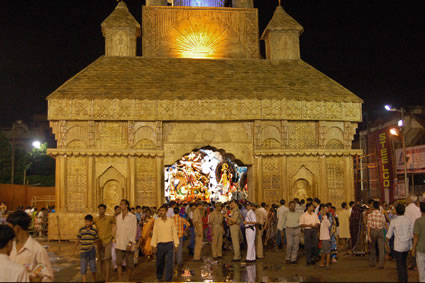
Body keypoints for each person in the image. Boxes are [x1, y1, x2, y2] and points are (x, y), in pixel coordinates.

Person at [7, 210, 54, 282]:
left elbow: (48, 277)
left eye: (9, 228)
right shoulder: (9, 247)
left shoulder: (38, 250)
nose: (7, 230)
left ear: (17, 228)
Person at [151, 205, 179, 282]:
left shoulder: (171, 221)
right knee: (159, 262)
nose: (161, 212)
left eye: (163, 211)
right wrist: (153, 245)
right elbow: (155, 234)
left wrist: (176, 244)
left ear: (166, 211)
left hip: (169, 244)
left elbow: (174, 233)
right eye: (160, 211)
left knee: (169, 263)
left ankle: (168, 279)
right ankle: (159, 276)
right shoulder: (157, 221)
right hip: (160, 244)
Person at [385, 203, 413, 282]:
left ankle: (402, 280)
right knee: (404, 265)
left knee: (400, 265)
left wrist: (385, 244)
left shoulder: (394, 221)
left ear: (396, 211)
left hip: (398, 247)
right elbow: (411, 234)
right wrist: (411, 247)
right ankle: (405, 280)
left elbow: (389, 234)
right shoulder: (408, 220)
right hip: (406, 246)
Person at [115, 199, 137, 282]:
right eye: (120, 204)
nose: (121, 206)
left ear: (126, 205)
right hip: (119, 243)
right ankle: (120, 280)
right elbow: (117, 229)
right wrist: (116, 239)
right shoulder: (118, 217)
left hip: (129, 243)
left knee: (129, 264)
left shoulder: (132, 217)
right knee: (119, 263)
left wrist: (131, 242)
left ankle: (127, 280)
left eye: (122, 204)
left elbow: (134, 229)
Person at [94, 204, 115, 282]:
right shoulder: (96, 219)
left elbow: (116, 224)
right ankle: (102, 277)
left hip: (108, 241)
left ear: (105, 210)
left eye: (102, 209)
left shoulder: (109, 218)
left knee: (107, 259)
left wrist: (113, 235)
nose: (101, 211)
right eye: (99, 209)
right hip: (100, 241)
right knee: (101, 260)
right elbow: (89, 224)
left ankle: (107, 278)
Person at [76, 215, 98, 283]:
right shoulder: (81, 230)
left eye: (88, 222)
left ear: (91, 222)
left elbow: (96, 241)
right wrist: (75, 247)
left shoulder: (94, 231)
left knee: (93, 267)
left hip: (91, 251)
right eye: (86, 222)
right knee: (83, 268)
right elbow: (78, 239)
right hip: (83, 251)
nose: (87, 223)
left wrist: (97, 251)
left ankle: (94, 280)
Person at [367, 200, 387, 269]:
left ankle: (372, 263)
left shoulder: (370, 215)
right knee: (381, 249)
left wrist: (369, 236)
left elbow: (369, 226)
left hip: (373, 231)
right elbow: (384, 224)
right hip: (380, 231)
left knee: (373, 248)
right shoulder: (381, 215)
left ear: (372, 206)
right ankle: (381, 264)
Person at [412, 202, 425, 282]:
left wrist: (413, 249)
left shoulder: (418, 221)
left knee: (421, 269)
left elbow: (416, 237)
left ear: (421, 210)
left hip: (420, 247)